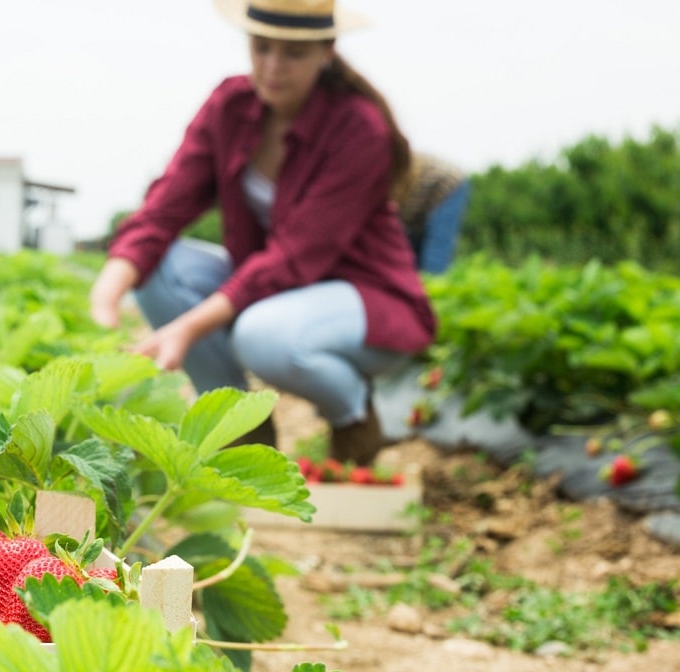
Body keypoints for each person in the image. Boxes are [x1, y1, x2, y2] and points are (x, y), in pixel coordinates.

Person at [88, 0, 436, 464]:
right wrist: (105, 301)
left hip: (363, 300)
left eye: (293, 53)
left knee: (262, 336)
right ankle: (239, 428)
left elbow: (295, 256)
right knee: (159, 269)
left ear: (326, 50)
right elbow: (165, 207)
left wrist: (187, 328)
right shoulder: (230, 107)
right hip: (277, 293)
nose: (273, 67)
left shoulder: (358, 128)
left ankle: (351, 410)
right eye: (262, 47)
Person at [395, 152, 471, 274]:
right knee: (406, 258)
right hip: (415, 206)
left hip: (446, 186)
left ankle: (432, 288)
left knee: (434, 258)